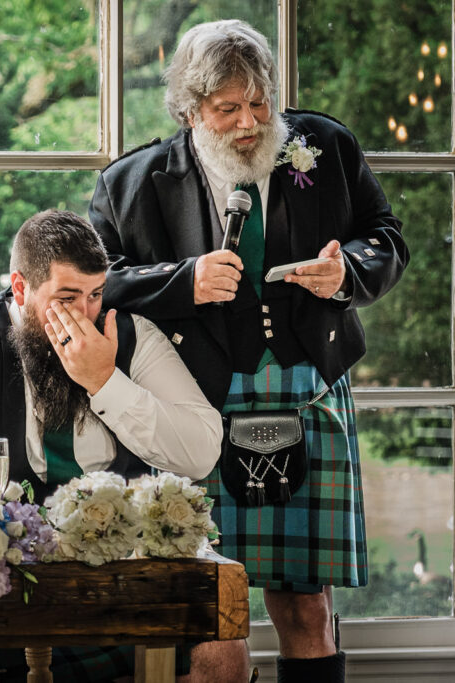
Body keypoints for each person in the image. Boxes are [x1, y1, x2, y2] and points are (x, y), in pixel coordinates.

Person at [88, 20, 409, 683]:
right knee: (206, 602)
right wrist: (184, 282)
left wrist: (346, 269)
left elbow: (385, 236)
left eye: (260, 102)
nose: (249, 121)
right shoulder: (135, 182)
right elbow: (99, 282)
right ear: (189, 110)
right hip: (200, 398)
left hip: (311, 388)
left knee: (305, 603)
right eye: (226, 108)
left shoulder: (325, 146)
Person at [0, 210, 249, 682]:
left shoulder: (132, 337)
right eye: (66, 298)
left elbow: (201, 452)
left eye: (94, 295)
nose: (84, 315)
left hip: (115, 591)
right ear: (21, 288)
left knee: (223, 653)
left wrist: (106, 382)